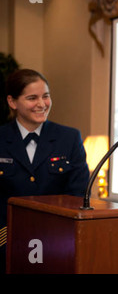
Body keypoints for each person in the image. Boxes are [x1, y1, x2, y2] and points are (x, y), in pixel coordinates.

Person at [0, 69, 89, 273]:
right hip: (6, 241)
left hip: (59, 245)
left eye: (45, 96)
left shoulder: (69, 138)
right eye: (32, 98)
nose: (42, 104)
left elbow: (78, 194)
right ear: (12, 102)